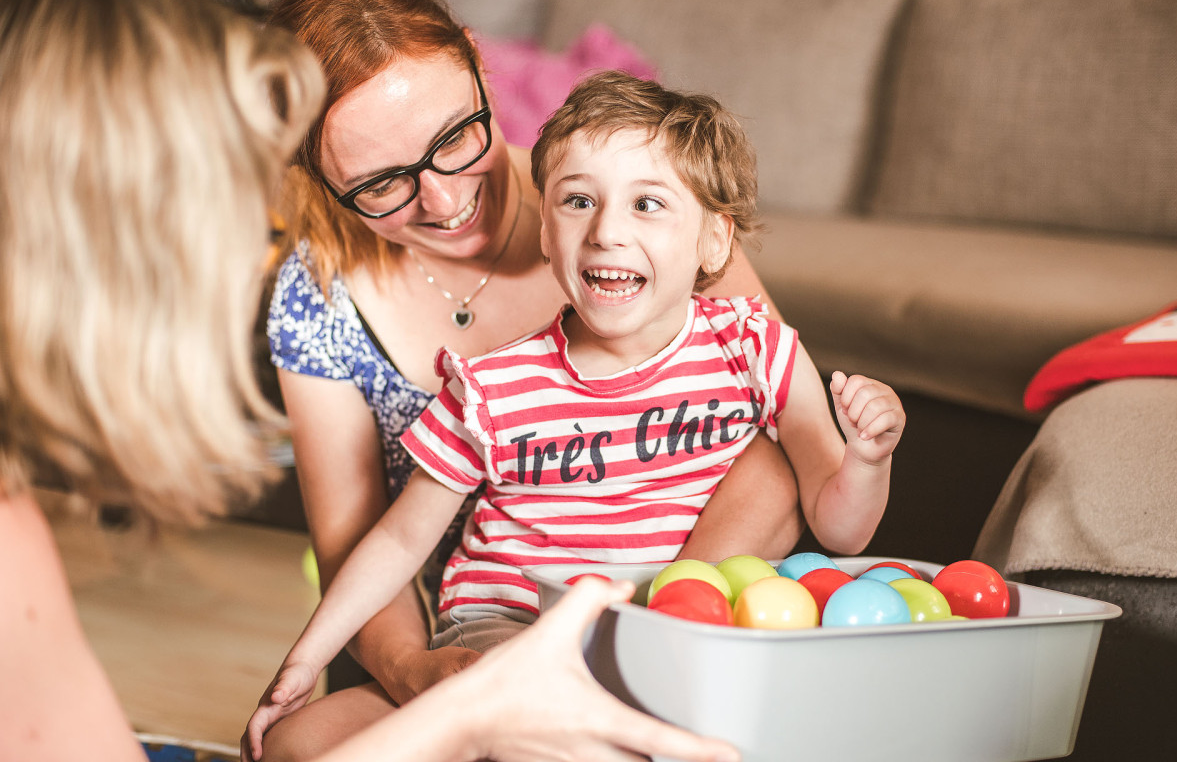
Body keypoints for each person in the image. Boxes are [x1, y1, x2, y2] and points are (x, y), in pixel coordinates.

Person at [0, 0, 740, 762]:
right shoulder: (320, 292)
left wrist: (656, 630)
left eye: (457, 136)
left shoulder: (630, 198)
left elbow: (777, 437)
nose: (443, 196)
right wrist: (449, 691)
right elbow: (367, 542)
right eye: (381, 185)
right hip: (474, 637)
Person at [245, 70, 906, 752]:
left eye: (647, 204)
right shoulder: (488, 387)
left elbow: (842, 529)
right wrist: (303, 663)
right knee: (300, 739)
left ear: (715, 241)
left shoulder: (757, 348)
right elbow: (396, 541)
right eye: (578, 201)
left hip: (666, 630)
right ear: (545, 235)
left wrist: (866, 459)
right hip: (505, 629)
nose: (607, 231)